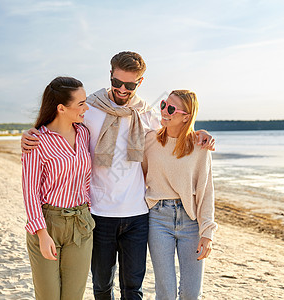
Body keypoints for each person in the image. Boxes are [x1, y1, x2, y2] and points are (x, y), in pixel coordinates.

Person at [21, 51, 216, 300]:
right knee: (101, 286)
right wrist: (29, 135)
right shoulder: (89, 109)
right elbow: (57, 127)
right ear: (110, 76)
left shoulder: (148, 115)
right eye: (117, 82)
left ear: (140, 82)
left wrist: (200, 134)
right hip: (98, 214)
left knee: (133, 288)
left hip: (137, 214)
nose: (122, 89)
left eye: (130, 85)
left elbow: (174, 133)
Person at [21, 76, 95, 300]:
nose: (86, 107)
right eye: (81, 103)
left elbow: (87, 179)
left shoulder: (84, 134)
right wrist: (42, 234)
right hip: (48, 223)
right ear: (61, 108)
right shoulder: (37, 140)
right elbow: (30, 191)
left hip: (81, 224)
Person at [142, 90, 218, 300]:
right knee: (165, 292)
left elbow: (205, 191)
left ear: (186, 116)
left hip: (191, 222)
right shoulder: (150, 141)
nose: (165, 111)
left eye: (172, 109)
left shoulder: (200, 147)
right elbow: (140, 175)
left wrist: (207, 232)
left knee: (191, 294)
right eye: (164, 105)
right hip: (158, 219)